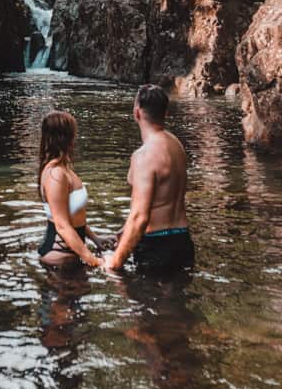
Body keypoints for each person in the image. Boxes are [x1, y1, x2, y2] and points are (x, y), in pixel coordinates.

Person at [101, 85, 194, 274]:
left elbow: (140, 218)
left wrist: (115, 262)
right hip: (183, 242)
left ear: (137, 113)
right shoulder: (176, 145)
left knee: (146, 301)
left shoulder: (144, 156)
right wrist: (125, 231)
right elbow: (163, 199)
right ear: (165, 113)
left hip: (156, 247)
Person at [38, 110, 103, 268]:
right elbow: (62, 225)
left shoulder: (65, 170)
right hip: (58, 255)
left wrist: (97, 240)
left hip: (71, 253)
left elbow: (73, 215)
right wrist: (94, 260)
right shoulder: (56, 175)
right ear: (66, 137)